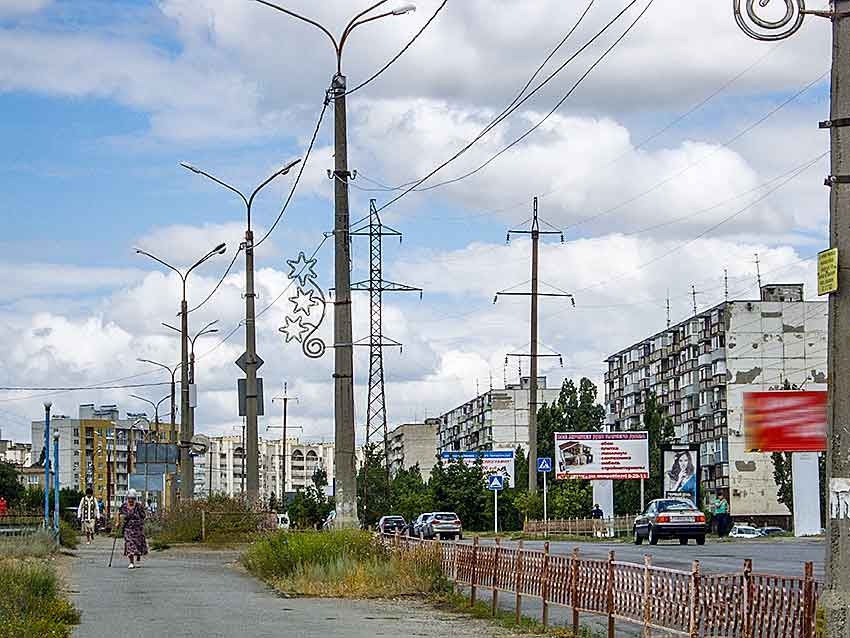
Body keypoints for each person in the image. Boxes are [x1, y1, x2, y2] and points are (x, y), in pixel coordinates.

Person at [116, 489, 148, 569]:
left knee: (138, 545)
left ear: (135, 499)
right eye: (129, 498)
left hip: (138, 529)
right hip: (128, 528)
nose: (131, 500)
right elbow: (118, 513)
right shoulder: (124, 506)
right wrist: (118, 522)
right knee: (129, 544)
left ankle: (137, 560)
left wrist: (140, 520)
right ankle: (131, 562)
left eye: (133, 498)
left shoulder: (139, 506)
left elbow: (143, 516)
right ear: (127, 498)